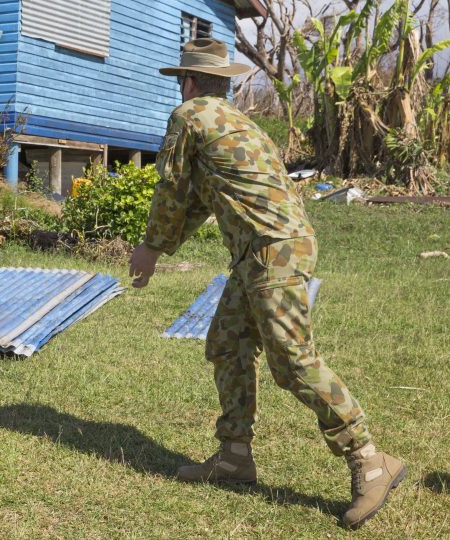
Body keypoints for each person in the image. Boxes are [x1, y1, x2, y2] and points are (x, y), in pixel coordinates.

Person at [128, 38, 405, 530]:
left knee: (292, 358)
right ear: (224, 81)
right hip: (274, 246)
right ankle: (234, 456)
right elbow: (198, 200)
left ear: (187, 82)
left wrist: (151, 247)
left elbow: (172, 188)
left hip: (270, 249)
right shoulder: (243, 126)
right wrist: (165, 245)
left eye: (181, 84)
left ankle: (370, 459)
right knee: (228, 341)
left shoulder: (190, 115)